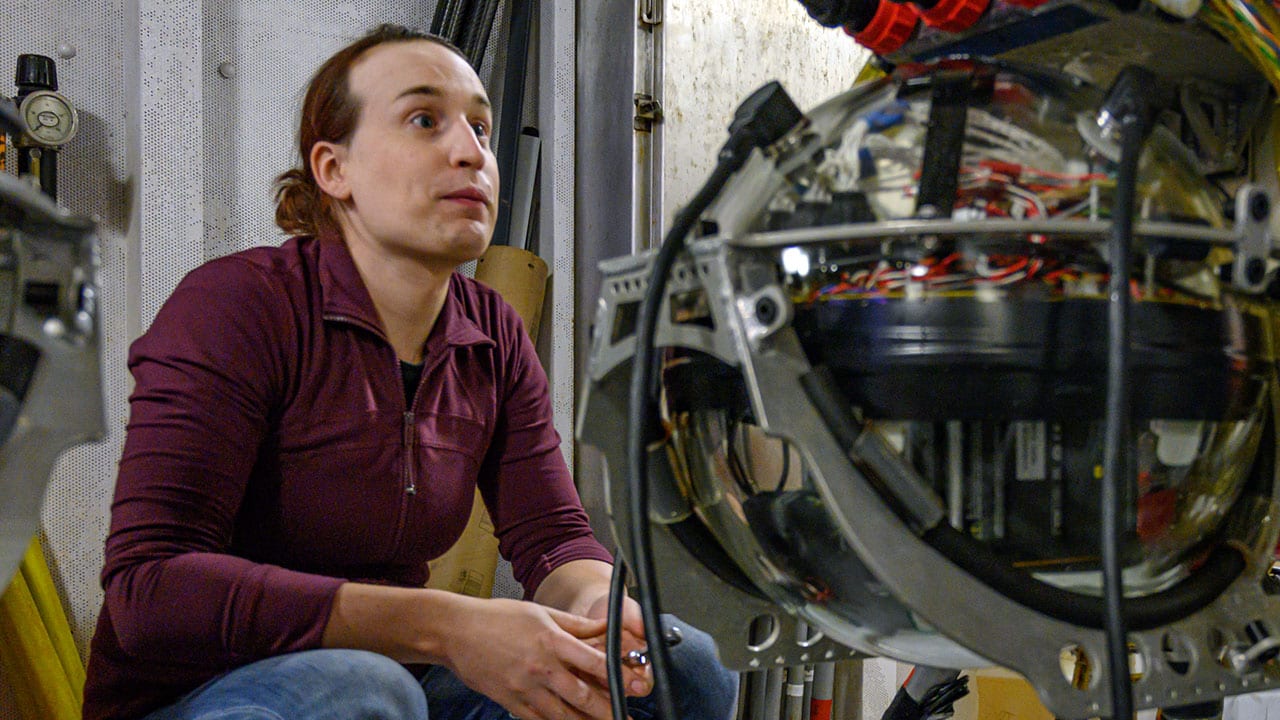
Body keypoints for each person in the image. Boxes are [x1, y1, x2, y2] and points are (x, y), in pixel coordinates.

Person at [82, 24, 738, 720]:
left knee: (682, 664)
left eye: (482, 129)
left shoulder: (493, 333)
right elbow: (148, 587)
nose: (472, 153)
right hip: (216, 693)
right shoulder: (239, 305)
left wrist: (600, 608)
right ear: (334, 170)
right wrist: (448, 625)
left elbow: (552, 538)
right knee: (368, 689)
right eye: (425, 120)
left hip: (399, 680)